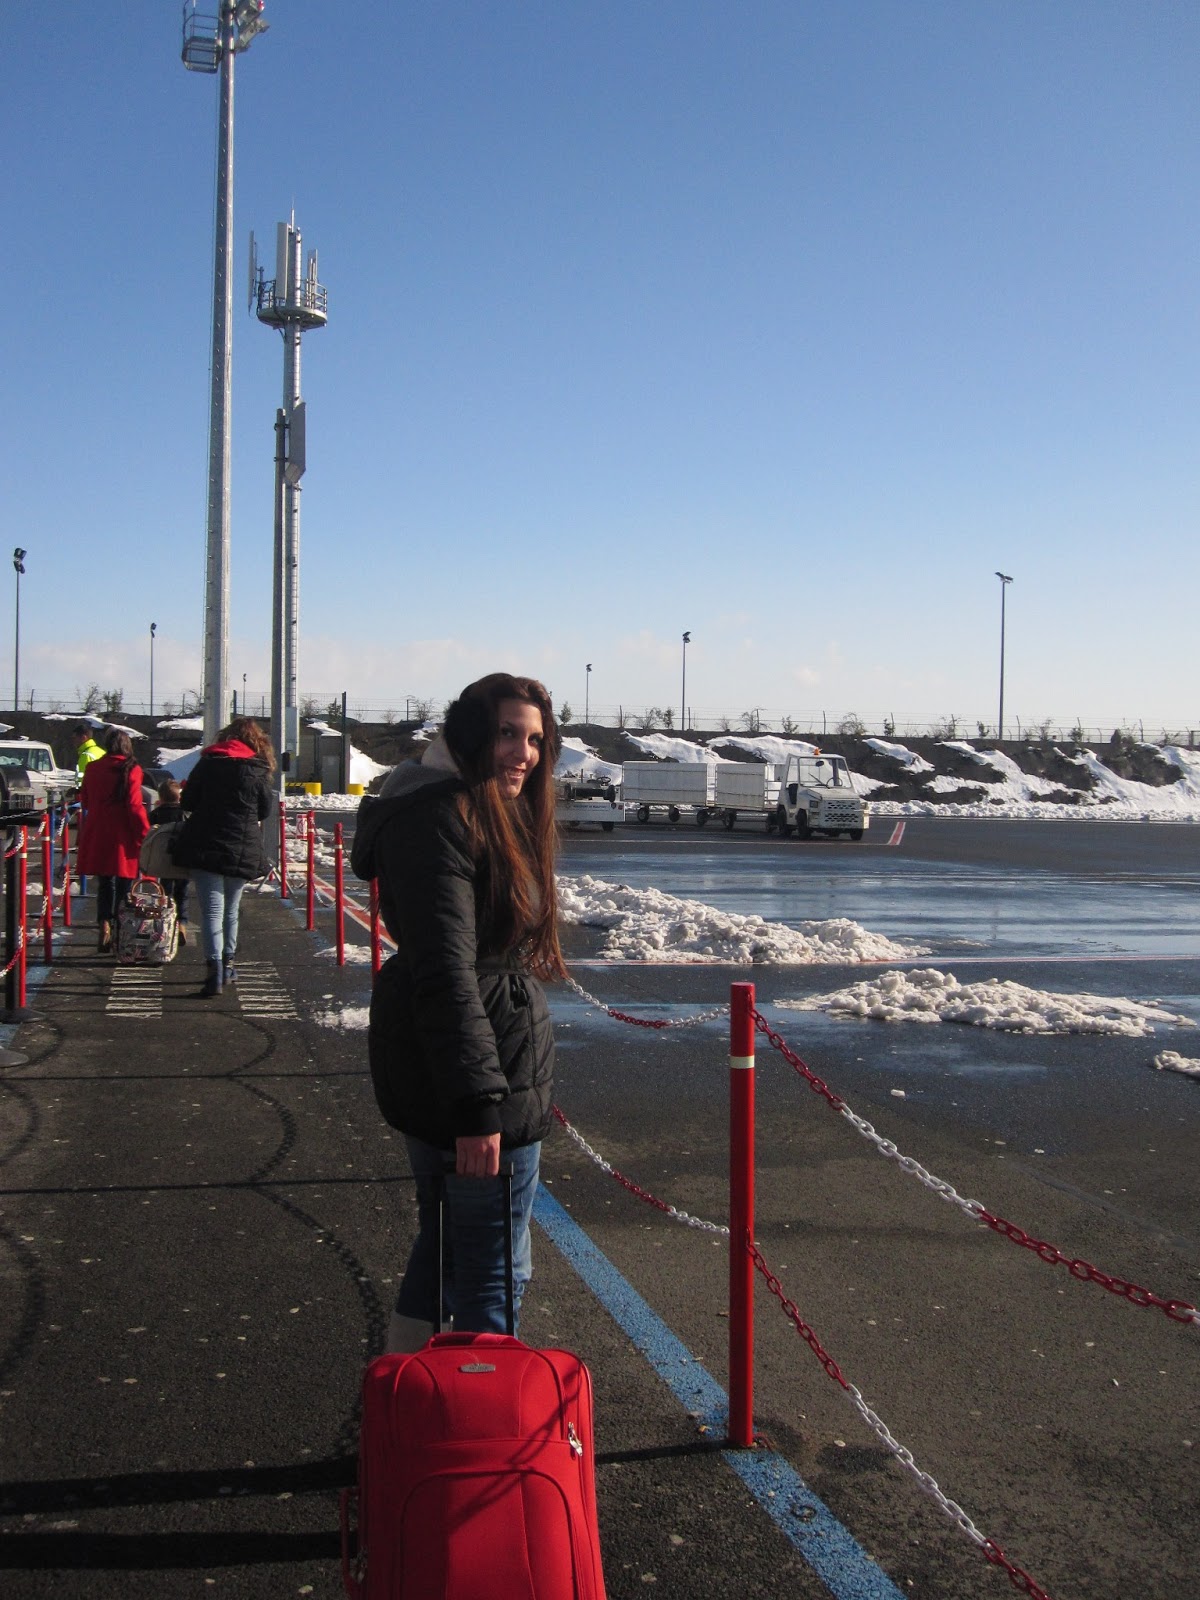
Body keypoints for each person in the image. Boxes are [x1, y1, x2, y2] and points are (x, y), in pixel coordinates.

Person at [351, 673, 565, 1350]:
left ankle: (407, 1390)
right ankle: (479, 1410)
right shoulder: (441, 816)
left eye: (535, 739)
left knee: (446, 1250)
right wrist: (478, 1109)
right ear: (469, 735)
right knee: (494, 1273)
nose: (524, 753)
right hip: (471, 1078)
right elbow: (447, 971)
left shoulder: (467, 808)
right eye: (506, 733)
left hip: (462, 1064)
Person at [172, 717, 276, 998]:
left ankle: (214, 973)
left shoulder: (208, 763)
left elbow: (188, 801)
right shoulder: (257, 768)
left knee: (212, 912)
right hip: (241, 847)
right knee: (231, 910)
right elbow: (265, 810)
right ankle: (229, 966)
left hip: (206, 844)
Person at [76, 729, 150, 953]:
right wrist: (145, 832)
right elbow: (134, 806)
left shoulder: (93, 767)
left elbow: (85, 801)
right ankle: (120, 929)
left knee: (105, 883)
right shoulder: (132, 769)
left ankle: (104, 922)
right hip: (123, 834)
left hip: (98, 831)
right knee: (124, 885)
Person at [150, 778, 190, 945]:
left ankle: (165, 922)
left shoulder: (156, 814)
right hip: (182, 859)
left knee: (165, 892)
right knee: (182, 892)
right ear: (179, 796)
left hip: (163, 860)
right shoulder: (184, 814)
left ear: (161, 797)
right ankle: (182, 923)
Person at [73, 721, 105, 788]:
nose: (74, 741)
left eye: (75, 738)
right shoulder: (101, 752)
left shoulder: (86, 755)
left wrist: (78, 790)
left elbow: (83, 781)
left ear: (83, 738)